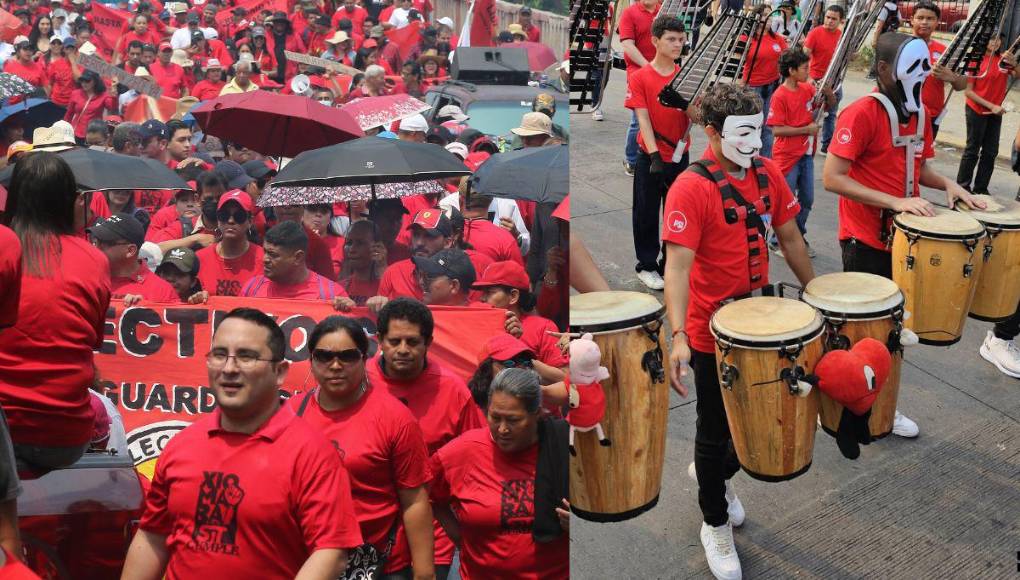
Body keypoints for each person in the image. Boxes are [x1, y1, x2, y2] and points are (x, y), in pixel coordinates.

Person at [662, 82, 815, 580]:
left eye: (758, 130)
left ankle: (716, 475)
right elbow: (676, 269)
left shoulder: (768, 173)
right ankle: (714, 522)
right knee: (714, 428)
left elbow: (790, 236)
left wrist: (819, 294)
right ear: (712, 132)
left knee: (751, 421)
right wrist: (678, 337)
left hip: (762, 326)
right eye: (742, 133)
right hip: (712, 332)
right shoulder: (691, 187)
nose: (754, 142)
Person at [822, 32, 985, 439]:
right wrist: (894, 201)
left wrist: (949, 185)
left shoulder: (921, 115)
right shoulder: (861, 113)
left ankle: (883, 406)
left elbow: (919, 166)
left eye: (925, 65)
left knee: (893, 333)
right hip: (863, 240)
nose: (923, 73)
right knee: (861, 336)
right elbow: (833, 177)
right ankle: (849, 409)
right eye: (914, 66)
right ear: (883, 69)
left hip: (902, 241)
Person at [121, 308, 364, 579]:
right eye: (219, 354)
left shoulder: (313, 455)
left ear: (280, 371)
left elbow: (331, 552)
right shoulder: (181, 445)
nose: (229, 369)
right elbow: (153, 536)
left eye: (246, 356)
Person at [289, 316, 435, 580]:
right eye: (324, 356)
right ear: (311, 359)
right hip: (306, 562)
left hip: (379, 565)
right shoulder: (289, 414)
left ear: (364, 358)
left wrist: (424, 573)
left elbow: (414, 500)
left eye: (347, 356)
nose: (335, 365)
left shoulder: (395, 418)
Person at [0, 152, 110, 470]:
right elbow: (89, 342)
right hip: (66, 438)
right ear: (67, 201)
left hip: (7, 433)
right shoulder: (95, 259)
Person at [368, 298, 486, 580]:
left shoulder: (454, 391)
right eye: (394, 341)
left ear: (428, 343)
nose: (403, 349)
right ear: (379, 340)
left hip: (436, 538)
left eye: (412, 341)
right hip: (370, 536)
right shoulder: (359, 382)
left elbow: (476, 461)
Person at [429, 368, 569, 579]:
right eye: (495, 417)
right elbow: (426, 496)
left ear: (538, 414)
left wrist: (579, 525)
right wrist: (462, 541)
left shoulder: (563, 448)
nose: (502, 429)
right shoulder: (463, 452)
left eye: (513, 420)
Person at [625, 15, 691, 290]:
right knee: (646, 212)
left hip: (680, 155)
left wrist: (684, 104)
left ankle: (670, 263)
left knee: (677, 214)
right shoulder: (640, 77)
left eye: (681, 39)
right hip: (650, 157)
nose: (678, 44)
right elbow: (642, 118)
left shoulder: (686, 76)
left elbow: (698, 117)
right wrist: (654, 155)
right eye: (671, 39)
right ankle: (647, 265)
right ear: (655, 41)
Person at [766, 47, 834, 256]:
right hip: (787, 156)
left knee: (806, 200)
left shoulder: (807, 89)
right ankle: (778, 241)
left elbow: (829, 106)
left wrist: (829, 94)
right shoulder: (780, 96)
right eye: (805, 68)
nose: (808, 71)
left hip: (806, 155)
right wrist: (806, 130)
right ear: (792, 70)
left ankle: (797, 235)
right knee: (787, 202)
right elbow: (776, 130)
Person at [474, 260, 567, 377]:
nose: (482, 298)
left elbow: (563, 377)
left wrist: (521, 356)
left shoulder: (543, 327)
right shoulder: (476, 325)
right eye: (483, 293)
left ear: (513, 296)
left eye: (489, 292)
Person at [241, 221, 353, 310]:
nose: (265, 259)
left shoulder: (332, 296)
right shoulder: (252, 288)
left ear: (298, 257)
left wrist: (350, 310)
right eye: (265, 252)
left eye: (273, 255)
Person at [956, 35, 1019, 195]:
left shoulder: (1003, 59)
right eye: (991, 39)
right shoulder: (975, 60)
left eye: (998, 39)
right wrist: (992, 106)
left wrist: (1015, 64)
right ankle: (962, 187)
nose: (995, 42)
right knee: (972, 149)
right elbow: (969, 92)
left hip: (995, 113)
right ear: (983, 41)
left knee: (990, 152)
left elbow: (1017, 75)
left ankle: (981, 189)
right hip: (976, 110)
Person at [91, 213, 180, 304]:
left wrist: (144, 310)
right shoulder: (87, 280)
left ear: (130, 250)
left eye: (104, 243)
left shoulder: (162, 292)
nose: (95, 247)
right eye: (95, 241)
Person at [909, 1, 966, 138]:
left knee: (925, 151)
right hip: (903, 114)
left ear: (937, 22)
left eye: (930, 18)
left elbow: (961, 86)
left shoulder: (945, 51)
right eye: (920, 18)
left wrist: (952, 77)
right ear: (912, 20)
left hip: (931, 115)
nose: (924, 22)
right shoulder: (898, 45)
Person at [617, 0, 660, 176]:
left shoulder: (663, 11)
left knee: (658, 116)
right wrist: (648, 67)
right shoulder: (629, 13)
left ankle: (651, 153)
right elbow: (628, 45)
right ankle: (631, 159)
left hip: (661, 70)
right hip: (638, 72)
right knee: (638, 118)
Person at [195, 190, 264, 298]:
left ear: (250, 221)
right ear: (218, 219)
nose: (231, 221)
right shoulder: (200, 258)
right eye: (224, 215)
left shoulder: (263, 259)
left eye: (239, 216)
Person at [742, 4, 787, 159]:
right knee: (753, 125)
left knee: (768, 126)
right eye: (765, 15)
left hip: (772, 86)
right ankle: (747, 158)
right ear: (757, 17)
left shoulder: (777, 38)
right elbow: (737, 62)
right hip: (753, 87)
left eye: (771, 15)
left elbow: (787, 57)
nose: (769, 18)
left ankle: (765, 161)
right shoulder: (747, 38)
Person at [803, 4, 844, 152]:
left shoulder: (842, 36)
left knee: (831, 114)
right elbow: (803, 58)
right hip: (816, 80)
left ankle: (826, 146)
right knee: (812, 114)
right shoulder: (815, 33)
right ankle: (805, 143)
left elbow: (847, 57)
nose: (830, 21)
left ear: (840, 21)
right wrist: (808, 79)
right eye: (828, 17)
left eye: (834, 19)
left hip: (834, 81)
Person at [413, 248, 479, 307]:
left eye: (429, 276)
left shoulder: (478, 315)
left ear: (454, 286)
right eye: (421, 276)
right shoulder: (419, 314)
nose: (421, 282)